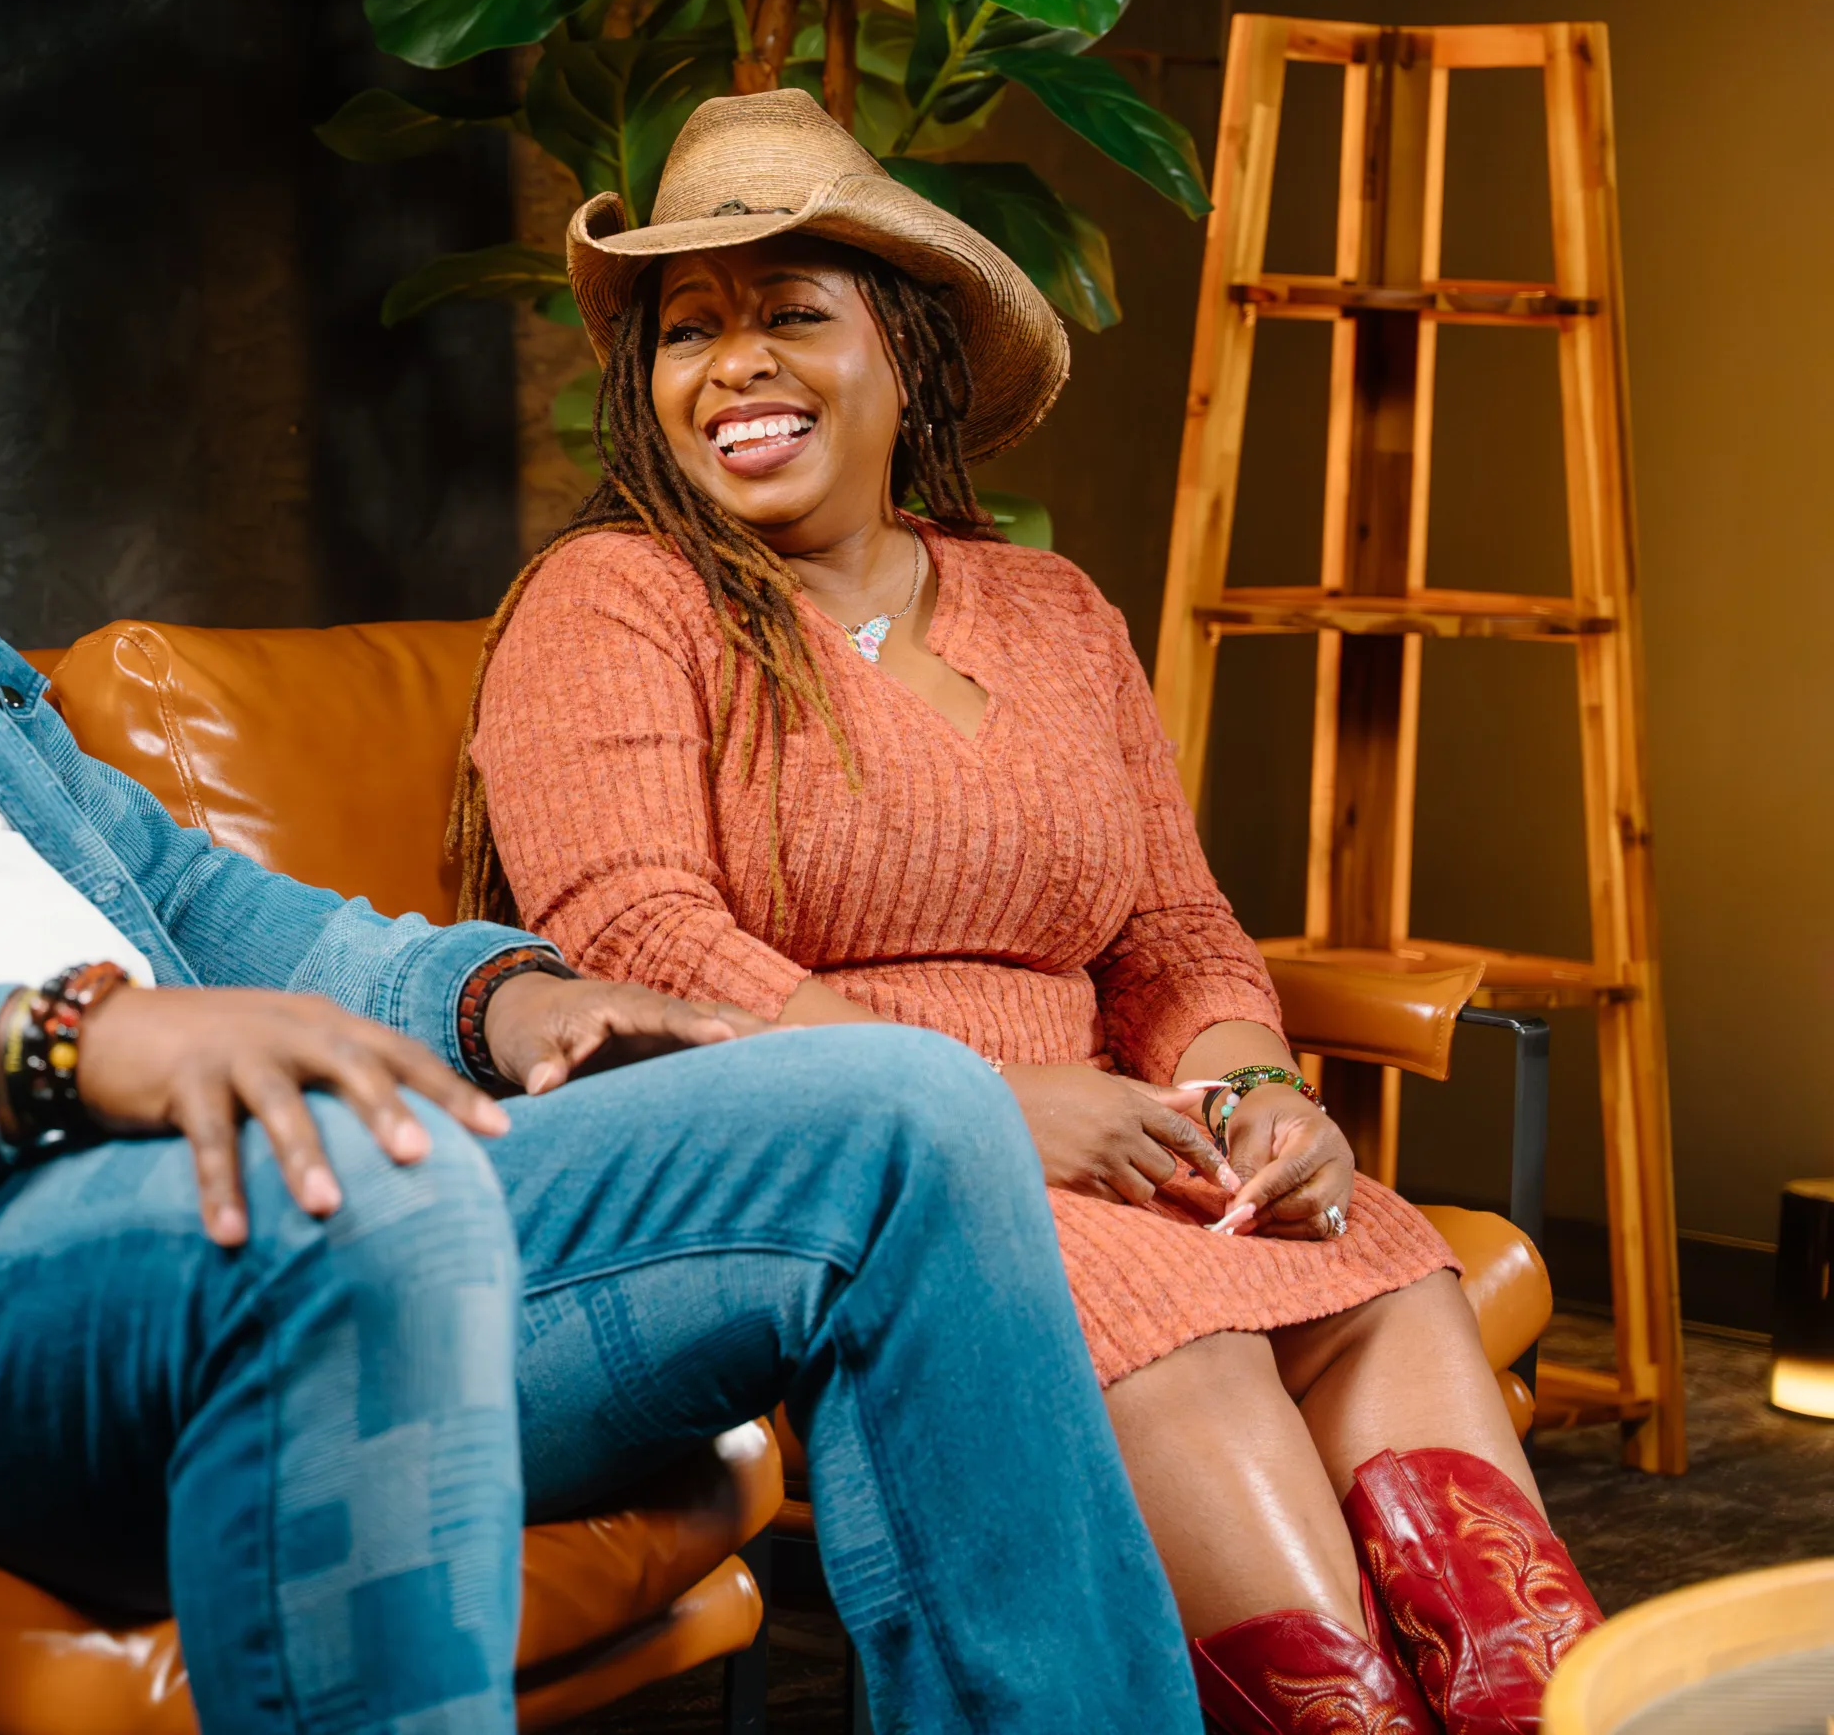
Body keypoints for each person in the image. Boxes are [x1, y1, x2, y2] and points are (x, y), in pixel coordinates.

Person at [0, 85, 1198, 1735]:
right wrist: (60, 1047)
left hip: (225, 1228)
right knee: (338, 1193)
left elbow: (179, 888)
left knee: (901, 1117)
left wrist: (502, 1002)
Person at [462, 89, 1604, 1735]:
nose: (735, 366)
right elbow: (638, 939)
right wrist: (992, 1109)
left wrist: (1256, 1095)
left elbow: (1175, 930)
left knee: (1376, 1275)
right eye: (689, 331)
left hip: (1136, 1142)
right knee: (1186, 1344)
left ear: (908, 355)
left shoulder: (1055, 609)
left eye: (793, 314)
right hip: (867, 1175)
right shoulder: (616, 600)